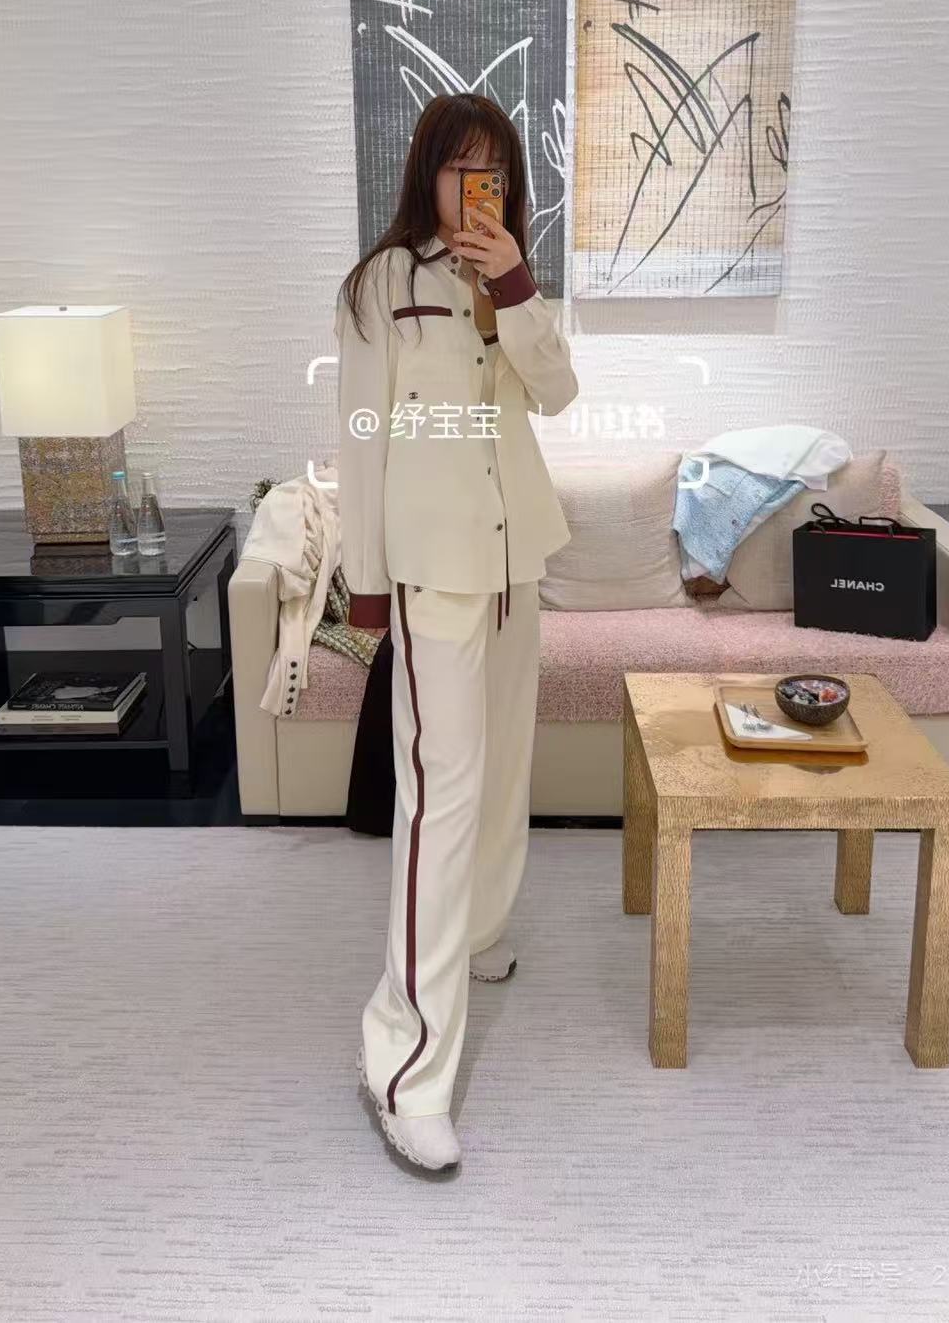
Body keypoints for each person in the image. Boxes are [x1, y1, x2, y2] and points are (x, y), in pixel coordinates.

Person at [334, 92, 578, 1170]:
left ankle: (476, 933)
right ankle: (404, 1067)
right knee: (440, 801)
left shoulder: (516, 278)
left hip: (515, 558)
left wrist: (514, 286)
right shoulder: (379, 285)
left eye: (496, 171)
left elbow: (558, 394)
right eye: (460, 166)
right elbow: (362, 442)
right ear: (425, 171)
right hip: (431, 569)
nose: (478, 187)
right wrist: (364, 585)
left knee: (503, 772)